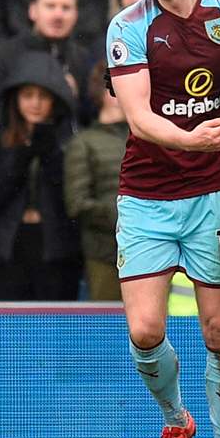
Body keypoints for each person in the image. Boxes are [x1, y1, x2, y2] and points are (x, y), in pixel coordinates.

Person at [105, 0, 220, 438]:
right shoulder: (129, 24)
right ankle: (176, 422)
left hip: (212, 196)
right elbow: (137, 117)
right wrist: (192, 139)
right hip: (145, 195)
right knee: (144, 330)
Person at [0, 51, 79, 300]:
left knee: (56, 329)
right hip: (9, 247)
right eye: (27, 95)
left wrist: (49, 153)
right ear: (15, 100)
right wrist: (23, 154)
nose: (35, 103)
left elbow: (69, 199)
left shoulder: (69, 143)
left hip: (55, 248)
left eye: (43, 96)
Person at [63, 61, 128, 301]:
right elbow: (77, 203)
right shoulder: (84, 142)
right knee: (109, 325)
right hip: (104, 253)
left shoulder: (148, 136)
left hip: (150, 252)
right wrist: (121, 214)